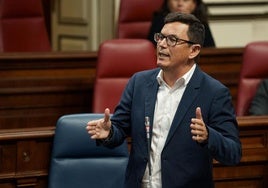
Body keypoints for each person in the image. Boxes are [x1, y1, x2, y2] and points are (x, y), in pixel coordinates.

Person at [87, 12, 241, 188]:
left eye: (172, 40)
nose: (161, 44)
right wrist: (110, 132)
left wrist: (208, 136)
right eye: (160, 37)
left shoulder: (214, 93)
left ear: (194, 50)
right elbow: (120, 128)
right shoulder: (139, 83)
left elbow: (233, 153)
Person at [147, 0, 215, 47]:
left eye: (185, 0)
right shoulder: (159, 21)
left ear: (195, 3)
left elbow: (209, 50)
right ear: (167, 2)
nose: (180, 4)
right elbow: (151, 50)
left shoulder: (200, 22)